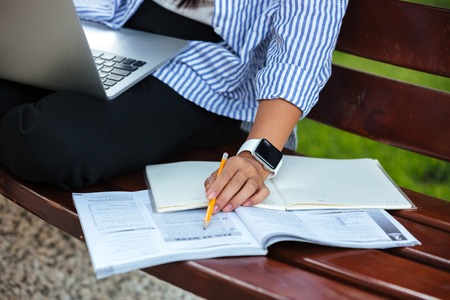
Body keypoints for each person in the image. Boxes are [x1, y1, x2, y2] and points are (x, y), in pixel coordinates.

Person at [0, 0, 347, 213]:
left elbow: (301, 52)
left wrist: (257, 158)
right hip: (119, 23)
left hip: (213, 72)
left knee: (50, 143)